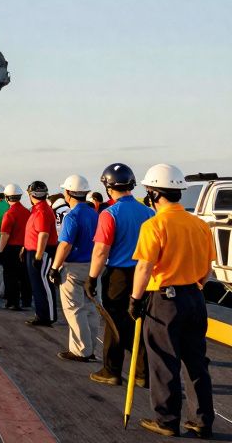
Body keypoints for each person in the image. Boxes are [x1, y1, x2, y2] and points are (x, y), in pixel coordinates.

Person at [130, 164, 216, 439]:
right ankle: (202, 421)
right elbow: (208, 270)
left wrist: (135, 299)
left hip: (165, 300)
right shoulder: (200, 224)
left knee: (164, 362)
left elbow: (144, 267)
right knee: (196, 361)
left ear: (155, 194)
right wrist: (194, 287)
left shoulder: (154, 225)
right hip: (195, 297)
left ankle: (167, 420)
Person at [87, 162, 154, 387]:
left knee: (114, 322)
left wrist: (92, 278)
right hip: (143, 274)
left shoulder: (110, 213)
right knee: (139, 322)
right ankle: (143, 374)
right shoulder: (148, 212)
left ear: (108, 187)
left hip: (118, 275)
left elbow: (101, 250)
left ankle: (111, 370)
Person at [48, 174, 98, 362]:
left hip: (73, 268)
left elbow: (65, 245)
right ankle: (90, 347)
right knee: (90, 308)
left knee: (74, 309)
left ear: (68, 193)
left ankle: (80, 351)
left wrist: (54, 267)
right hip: (92, 267)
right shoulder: (94, 214)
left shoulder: (72, 216)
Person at [24, 180, 59, 326]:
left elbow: (43, 234)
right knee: (37, 284)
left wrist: (38, 256)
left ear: (31, 194)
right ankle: (41, 314)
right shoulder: (38, 209)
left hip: (42, 252)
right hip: (34, 250)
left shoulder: (42, 211)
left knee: (44, 283)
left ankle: (48, 316)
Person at [0, 184, 31, 311]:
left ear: (7, 198)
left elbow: (5, 234)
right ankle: (26, 301)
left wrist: (0, 251)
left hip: (12, 248)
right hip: (25, 247)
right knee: (23, 276)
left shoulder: (9, 213)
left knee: (10, 276)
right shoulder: (27, 212)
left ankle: (12, 302)